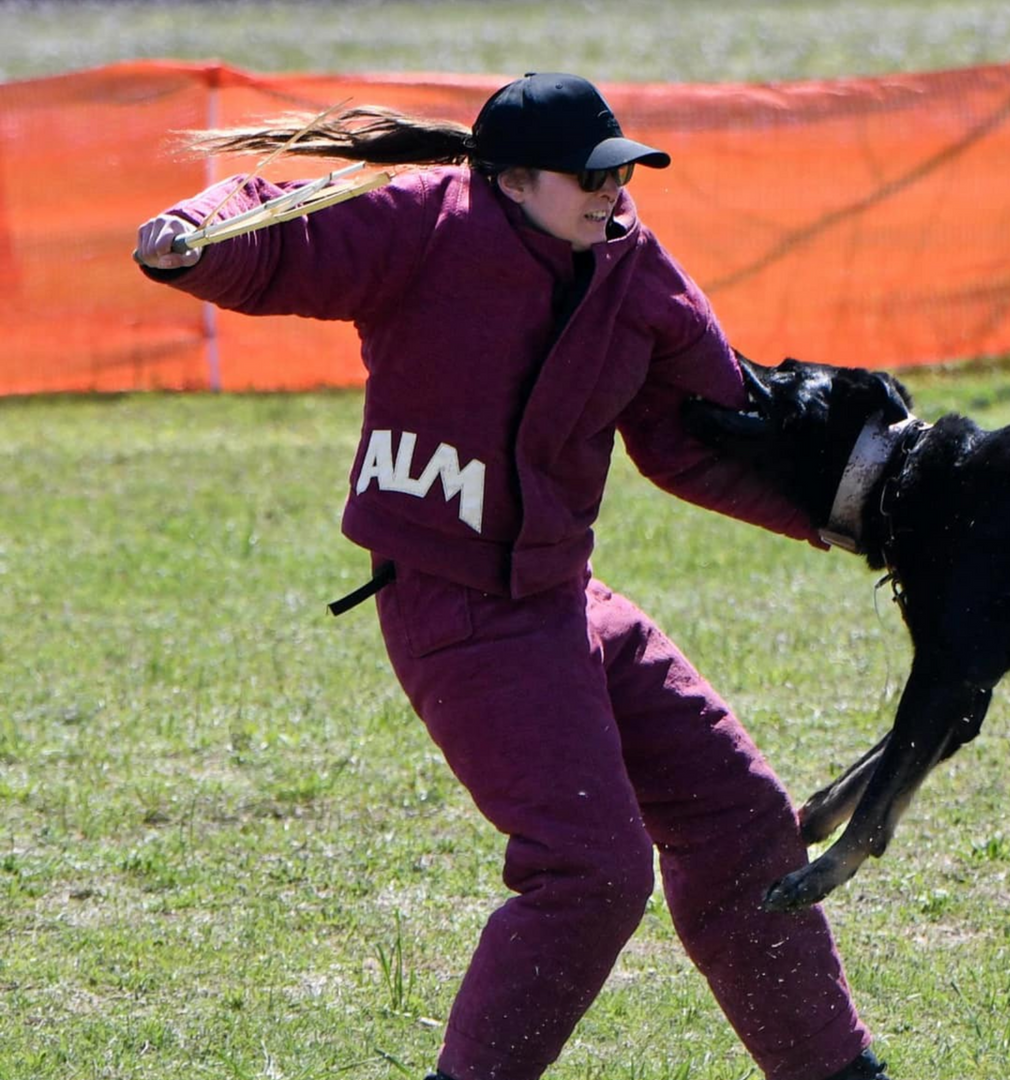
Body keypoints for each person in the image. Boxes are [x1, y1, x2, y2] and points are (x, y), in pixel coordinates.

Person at [134, 73, 889, 1080]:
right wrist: (190, 234)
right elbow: (278, 221)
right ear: (510, 180)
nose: (610, 193)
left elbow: (707, 432)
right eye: (587, 177)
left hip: (562, 600)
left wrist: (854, 510)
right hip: (456, 609)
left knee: (738, 816)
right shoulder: (422, 227)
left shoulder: (632, 269)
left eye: (619, 173)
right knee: (589, 871)